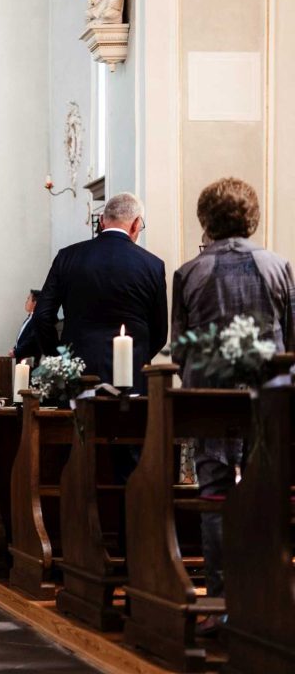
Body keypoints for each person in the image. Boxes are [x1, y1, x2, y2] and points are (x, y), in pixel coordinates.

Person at [171, 178, 295, 631]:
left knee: (215, 493)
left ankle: (222, 600)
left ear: (206, 219)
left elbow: (180, 348)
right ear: (252, 217)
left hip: (209, 397)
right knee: (267, 490)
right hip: (269, 398)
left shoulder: (189, 273)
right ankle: (267, 592)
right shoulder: (279, 267)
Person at [34, 192, 167, 394]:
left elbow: (42, 315)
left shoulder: (67, 257)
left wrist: (61, 357)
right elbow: (159, 331)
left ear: (103, 221)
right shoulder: (152, 265)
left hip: (77, 374)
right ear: (136, 224)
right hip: (133, 378)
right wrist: (136, 355)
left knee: (77, 426)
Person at [11, 289, 44, 364]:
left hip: (30, 361)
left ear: (35, 303)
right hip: (21, 360)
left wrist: (16, 352)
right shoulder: (29, 318)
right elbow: (23, 338)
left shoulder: (37, 320)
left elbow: (31, 340)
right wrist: (15, 348)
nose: (26, 302)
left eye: (28, 299)